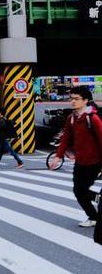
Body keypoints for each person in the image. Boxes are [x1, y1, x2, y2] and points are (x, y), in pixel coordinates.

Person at [50, 86, 102, 228]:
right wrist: (58, 156)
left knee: (81, 190)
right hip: (80, 161)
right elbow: (66, 138)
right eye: (71, 98)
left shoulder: (93, 118)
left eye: (76, 99)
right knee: (78, 191)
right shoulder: (71, 118)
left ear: (85, 100)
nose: (73, 101)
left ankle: (94, 216)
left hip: (94, 162)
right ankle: (95, 212)